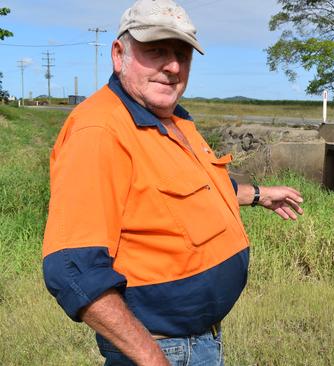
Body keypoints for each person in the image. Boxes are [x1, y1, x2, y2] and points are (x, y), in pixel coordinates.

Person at [41, 0, 303, 364]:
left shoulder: (173, 119)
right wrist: (153, 358)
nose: (174, 66)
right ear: (120, 55)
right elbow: (72, 268)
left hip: (199, 340)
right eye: (157, 51)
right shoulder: (100, 130)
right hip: (160, 348)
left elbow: (193, 188)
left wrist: (258, 195)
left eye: (182, 54)